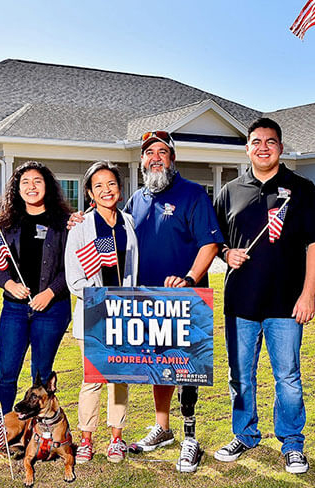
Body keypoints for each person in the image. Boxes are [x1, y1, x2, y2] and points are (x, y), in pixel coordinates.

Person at [67, 130, 223, 473]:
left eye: (162, 152)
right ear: (142, 161)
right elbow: (110, 235)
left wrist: (190, 278)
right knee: (160, 369)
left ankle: (190, 437)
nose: (155, 157)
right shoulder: (134, 202)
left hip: (183, 297)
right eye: (149, 152)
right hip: (143, 303)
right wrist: (79, 219)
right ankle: (163, 428)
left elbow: (209, 245)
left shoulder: (194, 194)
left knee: (188, 369)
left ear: (173, 158)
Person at [213, 117, 315, 474]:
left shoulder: (302, 188)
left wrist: (308, 294)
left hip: (286, 302)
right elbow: (213, 238)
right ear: (247, 148)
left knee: (288, 377)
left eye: (270, 141)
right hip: (241, 304)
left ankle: (293, 443)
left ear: (280, 147)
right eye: (256, 142)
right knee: (240, 376)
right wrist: (224, 253)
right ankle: (245, 434)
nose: (263, 147)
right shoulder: (230, 191)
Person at [65, 161, 138, 464]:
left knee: (119, 376)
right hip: (94, 313)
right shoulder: (81, 226)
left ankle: (117, 439)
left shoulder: (129, 222)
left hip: (124, 313)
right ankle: (86, 438)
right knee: (93, 379)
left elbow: (133, 270)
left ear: (120, 190)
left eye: (111, 184)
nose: (106, 190)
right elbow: (74, 278)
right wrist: (101, 297)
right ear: (89, 193)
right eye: (98, 186)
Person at [0, 161, 72, 415]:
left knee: (42, 375)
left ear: (47, 186)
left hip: (52, 310)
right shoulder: (6, 223)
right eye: (25, 182)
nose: (31, 187)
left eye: (37, 181)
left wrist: (50, 292)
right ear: (17, 188)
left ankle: (40, 430)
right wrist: (9, 284)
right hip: (14, 309)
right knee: (7, 372)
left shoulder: (64, 223)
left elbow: (74, 266)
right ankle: (4, 426)